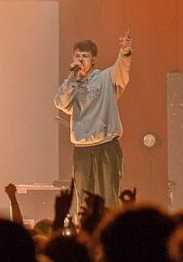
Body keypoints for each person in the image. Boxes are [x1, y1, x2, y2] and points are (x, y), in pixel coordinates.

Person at [54, 33, 132, 211]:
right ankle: (84, 234)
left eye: (85, 56)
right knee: (83, 199)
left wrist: (125, 52)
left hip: (106, 146)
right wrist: (73, 77)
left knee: (109, 197)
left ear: (94, 59)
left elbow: (121, 72)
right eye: (77, 56)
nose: (81, 59)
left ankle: (109, 233)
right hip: (82, 149)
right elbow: (59, 102)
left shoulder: (105, 78)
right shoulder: (72, 83)